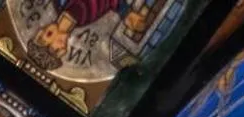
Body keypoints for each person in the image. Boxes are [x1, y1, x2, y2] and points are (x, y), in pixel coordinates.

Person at [25, 0, 155, 71]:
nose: (62, 49)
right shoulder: (82, 19)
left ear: (45, 33)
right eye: (58, 53)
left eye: (54, 50)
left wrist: (125, 12)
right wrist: (125, 13)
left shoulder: (63, 4)